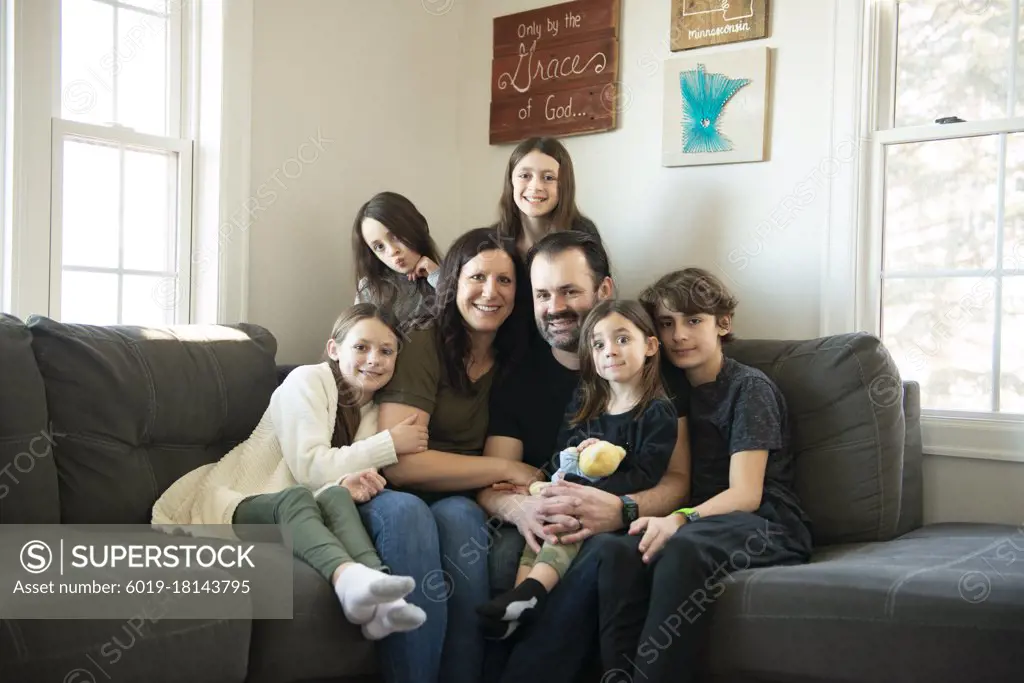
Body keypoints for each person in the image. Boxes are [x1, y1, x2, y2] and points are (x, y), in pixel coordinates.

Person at [477, 232, 692, 683]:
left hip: (615, 516)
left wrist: (619, 508)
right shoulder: (519, 377)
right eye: (542, 294)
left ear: (604, 291)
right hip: (547, 510)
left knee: (607, 554)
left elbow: (676, 480)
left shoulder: (658, 377)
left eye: (570, 291)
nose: (554, 306)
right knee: (522, 553)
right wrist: (528, 506)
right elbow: (494, 483)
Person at [151, 304, 430, 641]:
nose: (374, 359)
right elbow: (309, 467)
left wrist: (349, 482)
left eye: (386, 351)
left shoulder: (374, 412)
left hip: (302, 501)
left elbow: (335, 477)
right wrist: (389, 443)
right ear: (333, 349)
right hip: (234, 501)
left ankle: (380, 597)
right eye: (361, 347)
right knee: (297, 497)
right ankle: (347, 578)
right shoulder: (307, 380)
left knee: (337, 498)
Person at [594, 268, 814, 682]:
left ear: (723, 324)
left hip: (766, 520)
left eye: (693, 321)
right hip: (705, 518)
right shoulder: (665, 392)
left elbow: (746, 494)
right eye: (667, 323)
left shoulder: (749, 389)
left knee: (682, 548)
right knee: (618, 551)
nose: (679, 335)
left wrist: (679, 519)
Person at [360, 226, 541, 683]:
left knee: (462, 519)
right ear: (454, 281)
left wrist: (502, 473)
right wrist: (503, 467)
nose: (490, 292)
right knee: (408, 516)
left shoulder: (512, 359)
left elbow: (494, 472)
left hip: (457, 493)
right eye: (477, 277)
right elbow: (402, 465)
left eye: (505, 280)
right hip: (387, 487)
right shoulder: (423, 343)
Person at [497, 137, 601, 261]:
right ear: (511, 181)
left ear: (564, 185)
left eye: (548, 178)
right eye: (525, 176)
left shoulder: (584, 235)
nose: (535, 187)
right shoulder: (493, 239)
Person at [352, 191, 443, 323]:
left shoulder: (445, 274)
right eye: (379, 247)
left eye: (396, 237)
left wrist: (438, 277)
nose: (392, 251)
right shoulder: (371, 290)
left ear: (416, 228)